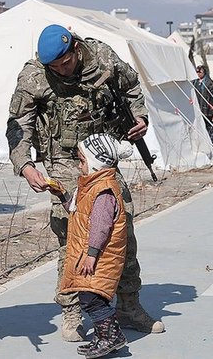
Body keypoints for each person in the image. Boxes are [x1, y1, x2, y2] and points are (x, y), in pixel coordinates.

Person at [6, 24, 165, 342]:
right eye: (54, 67)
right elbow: (18, 123)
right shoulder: (34, 76)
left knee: (121, 229)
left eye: (65, 63)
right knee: (72, 235)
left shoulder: (103, 57)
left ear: (75, 48)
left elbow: (132, 87)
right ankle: (72, 309)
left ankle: (129, 306)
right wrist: (24, 164)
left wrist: (140, 117)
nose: (61, 71)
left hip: (102, 157)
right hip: (64, 162)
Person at [48, 133, 131, 358]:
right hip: (92, 254)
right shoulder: (91, 186)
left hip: (100, 256)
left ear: (96, 162)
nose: (79, 165)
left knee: (91, 297)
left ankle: (110, 336)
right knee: (94, 296)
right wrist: (63, 195)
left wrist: (92, 254)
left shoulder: (103, 191)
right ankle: (107, 336)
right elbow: (78, 214)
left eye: (82, 160)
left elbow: (101, 227)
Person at [193, 65, 213, 129]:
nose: (198, 74)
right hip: (197, 106)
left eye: (200, 72)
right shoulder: (195, 82)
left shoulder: (209, 82)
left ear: (204, 72)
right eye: (197, 72)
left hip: (206, 108)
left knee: (206, 125)